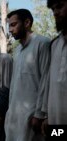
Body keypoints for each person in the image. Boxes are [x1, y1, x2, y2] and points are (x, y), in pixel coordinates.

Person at [4, 9, 51, 141]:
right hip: (14, 115)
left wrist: (40, 114)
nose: (10, 30)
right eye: (9, 26)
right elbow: (15, 85)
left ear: (27, 23)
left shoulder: (43, 43)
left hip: (32, 117)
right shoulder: (17, 50)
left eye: (13, 25)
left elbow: (46, 81)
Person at [41, 0, 67, 135]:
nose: (56, 13)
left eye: (60, 6)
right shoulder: (54, 45)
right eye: (53, 9)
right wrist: (46, 116)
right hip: (56, 123)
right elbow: (49, 83)